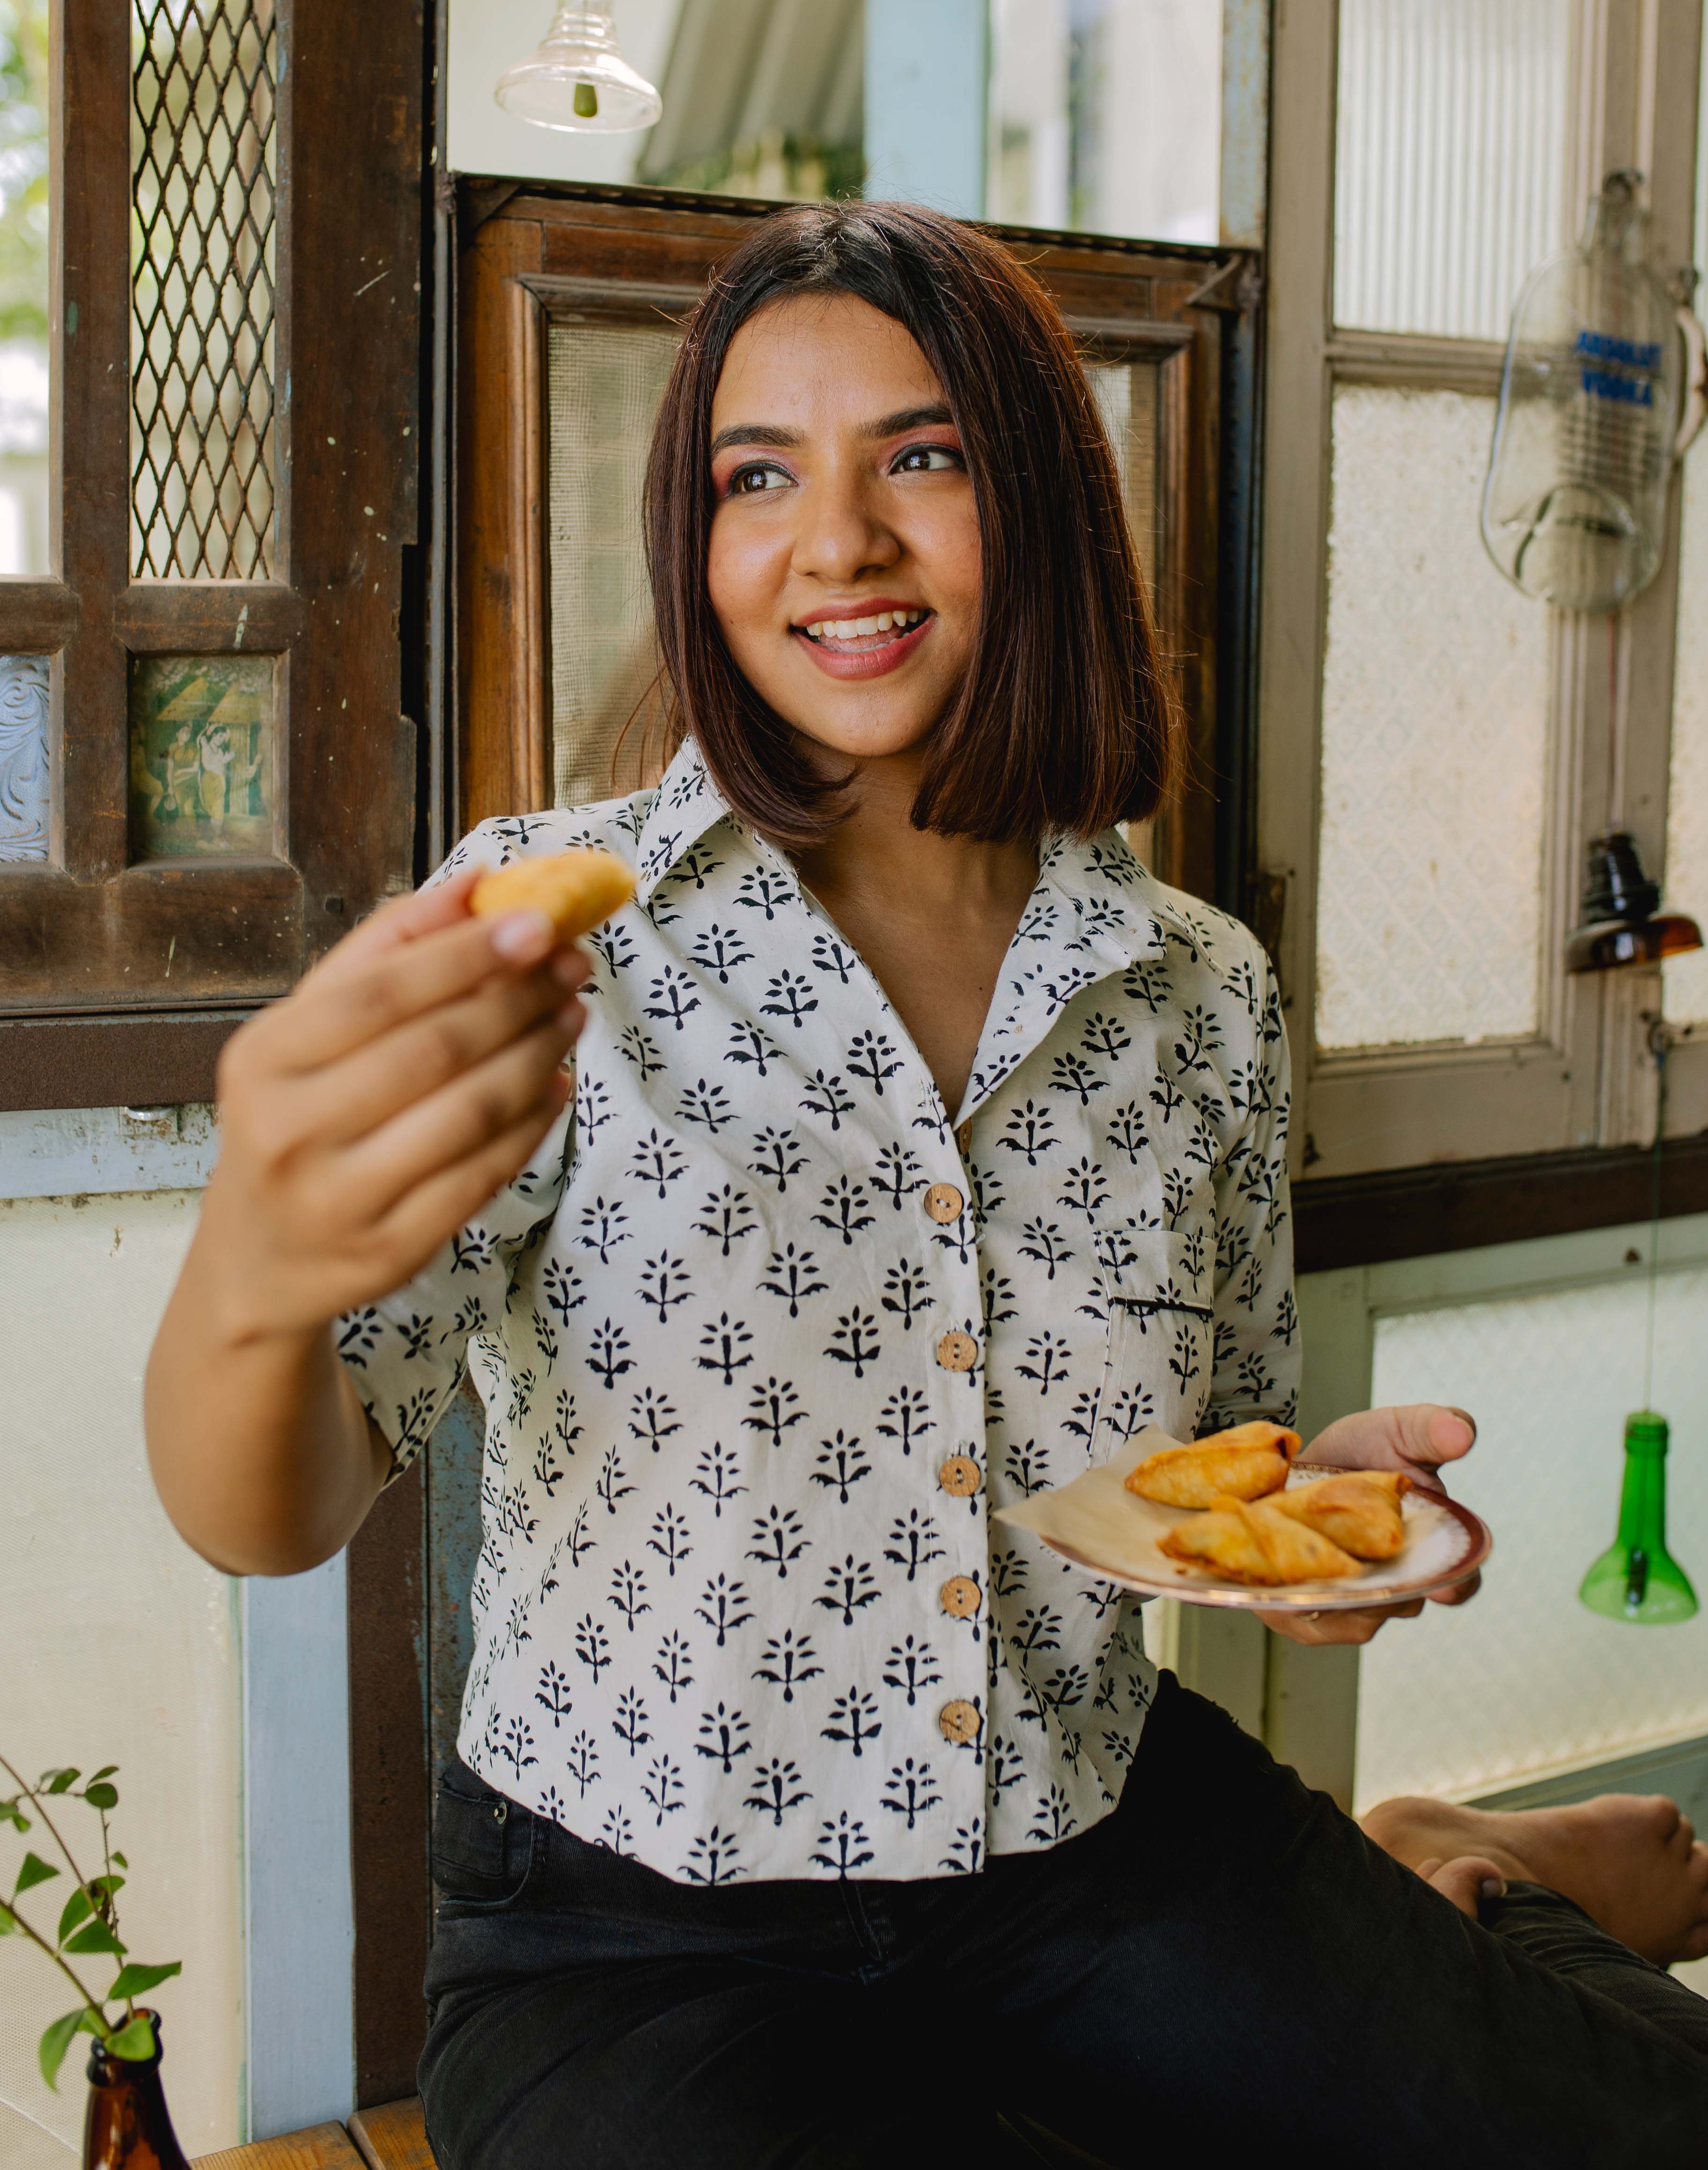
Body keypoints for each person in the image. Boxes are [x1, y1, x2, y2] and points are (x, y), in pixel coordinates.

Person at [146, 205, 1708, 2165]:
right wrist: (261, 1268)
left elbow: (1207, 1464)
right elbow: (264, 1507)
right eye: (758, 477)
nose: (838, 544)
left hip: (1095, 1847)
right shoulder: (554, 935)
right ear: (696, 543)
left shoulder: (1197, 991)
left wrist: (1318, 1524)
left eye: (925, 457)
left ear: (1039, 499)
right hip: (642, 1941)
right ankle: (1411, 1872)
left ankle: (1449, 1867)